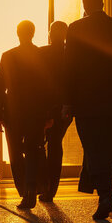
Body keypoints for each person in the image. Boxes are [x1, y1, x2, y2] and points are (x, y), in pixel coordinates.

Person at [62, 0, 112, 220]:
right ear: (103, 3)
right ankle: (106, 180)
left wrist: (67, 102)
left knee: (93, 148)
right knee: (104, 144)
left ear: (84, 5)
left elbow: (69, 69)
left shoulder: (75, 29)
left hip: (85, 103)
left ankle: (105, 194)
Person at [0, 20, 51, 209]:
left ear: (18, 33)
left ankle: (26, 190)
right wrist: (48, 113)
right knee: (34, 149)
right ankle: (31, 188)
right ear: (33, 33)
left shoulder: (8, 56)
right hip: (35, 110)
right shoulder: (41, 55)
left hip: (13, 111)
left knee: (16, 153)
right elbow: (47, 86)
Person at [39, 21, 73, 202]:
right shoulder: (72, 54)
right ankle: (52, 188)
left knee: (41, 145)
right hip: (64, 107)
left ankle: (44, 184)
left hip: (45, 107)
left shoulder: (42, 53)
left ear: (51, 34)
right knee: (55, 145)